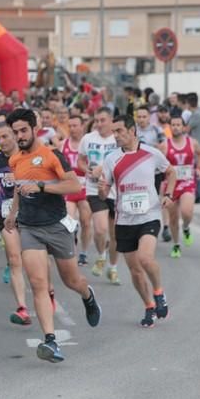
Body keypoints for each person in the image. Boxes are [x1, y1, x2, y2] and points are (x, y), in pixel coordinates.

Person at [4, 108, 102, 363]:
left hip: (57, 226)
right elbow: (18, 188)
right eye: (15, 132)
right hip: (30, 228)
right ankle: (50, 341)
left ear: (35, 128)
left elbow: (74, 185)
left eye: (23, 130)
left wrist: (41, 186)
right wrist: (13, 213)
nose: (20, 136)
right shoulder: (15, 160)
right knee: (38, 283)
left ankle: (87, 296)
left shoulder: (52, 155)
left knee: (71, 280)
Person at [99, 114, 176, 328]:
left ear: (132, 131)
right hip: (124, 220)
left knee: (145, 257)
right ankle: (149, 305)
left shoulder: (151, 154)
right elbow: (105, 192)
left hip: (149, 215)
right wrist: (102, 190)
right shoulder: (111, 159)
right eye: (113, 131)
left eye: (119, 131)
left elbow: (171, 172)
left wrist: (168, 194)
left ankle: (159, 293)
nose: (115, 135)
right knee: (134, 270)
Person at [0, 122, 31, 325]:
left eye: (5, 137)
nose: (1, 141)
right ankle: (22, 308)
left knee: (34, 260)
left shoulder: (26, 155)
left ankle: (48, 293)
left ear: (15, 136)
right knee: (14, 259)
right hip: (6, 213)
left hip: (30, 213)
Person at [78, 107, 121, 284]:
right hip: (94, 189)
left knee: (115, 234)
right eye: (97, 120)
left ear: (111, 120)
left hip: (116, 190)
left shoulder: (118, 139)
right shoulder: (88, 138)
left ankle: (113, 267)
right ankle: (102, 255)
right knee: (100, 228)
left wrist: (102, 169)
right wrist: (87, 169)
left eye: (103, 120)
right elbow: (80, 160)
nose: (99, 124)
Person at [158, 115, 200, 258]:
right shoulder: (164, 145)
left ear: (183, 127)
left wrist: (199, 167)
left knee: (186, 212)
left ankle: (185, 227)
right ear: (170, 127)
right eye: (173, 124)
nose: (176, 127)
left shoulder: (192, 143)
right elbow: (158, 164)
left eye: (179, 124)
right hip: (171, 185)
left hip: (187, 182)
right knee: (172, 218)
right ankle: (176, 245)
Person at [61, 114, 92, 266]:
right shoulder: (63, 144)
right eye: (70, 126)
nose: (72, 129)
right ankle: (71, 252)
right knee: (69, 222)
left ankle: (84, 253)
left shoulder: (88, 144)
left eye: (75, 126)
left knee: (86, 222)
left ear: (82, 126)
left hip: (85, 187)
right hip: (69, 188)